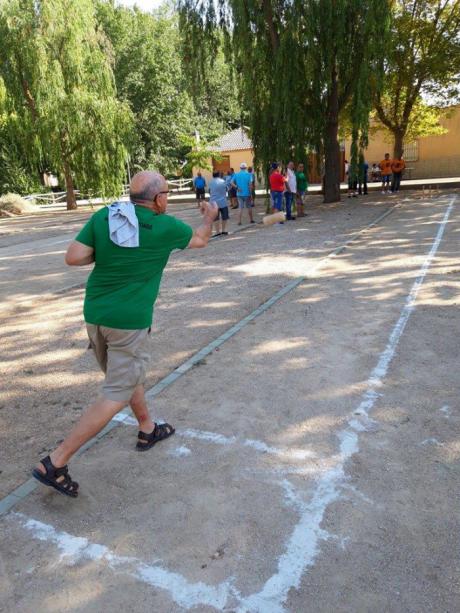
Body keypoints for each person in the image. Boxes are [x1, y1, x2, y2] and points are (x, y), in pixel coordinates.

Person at [32, 171, 217, 498]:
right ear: (158, 198)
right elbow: (201, 240)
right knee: (116, 392)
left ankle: (147, 428)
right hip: (129, 322)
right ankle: (56, 461)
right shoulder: (166, 227)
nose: (169, 199)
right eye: (168, 194)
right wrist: (210, 217)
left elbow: (73, 257)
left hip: (95, 315)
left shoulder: (107, 216)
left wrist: (108, 251)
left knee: (127, 376)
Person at [209, 170, 229, 235]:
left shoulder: (210, 182)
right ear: (219, 175)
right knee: (224, 217)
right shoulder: (223, 181)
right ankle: (223, 230)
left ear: (212, 175)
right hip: (223, 202)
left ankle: (217, 232)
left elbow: (209, 191)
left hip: (213, 203)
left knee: (216, 218)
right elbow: (227, 189)